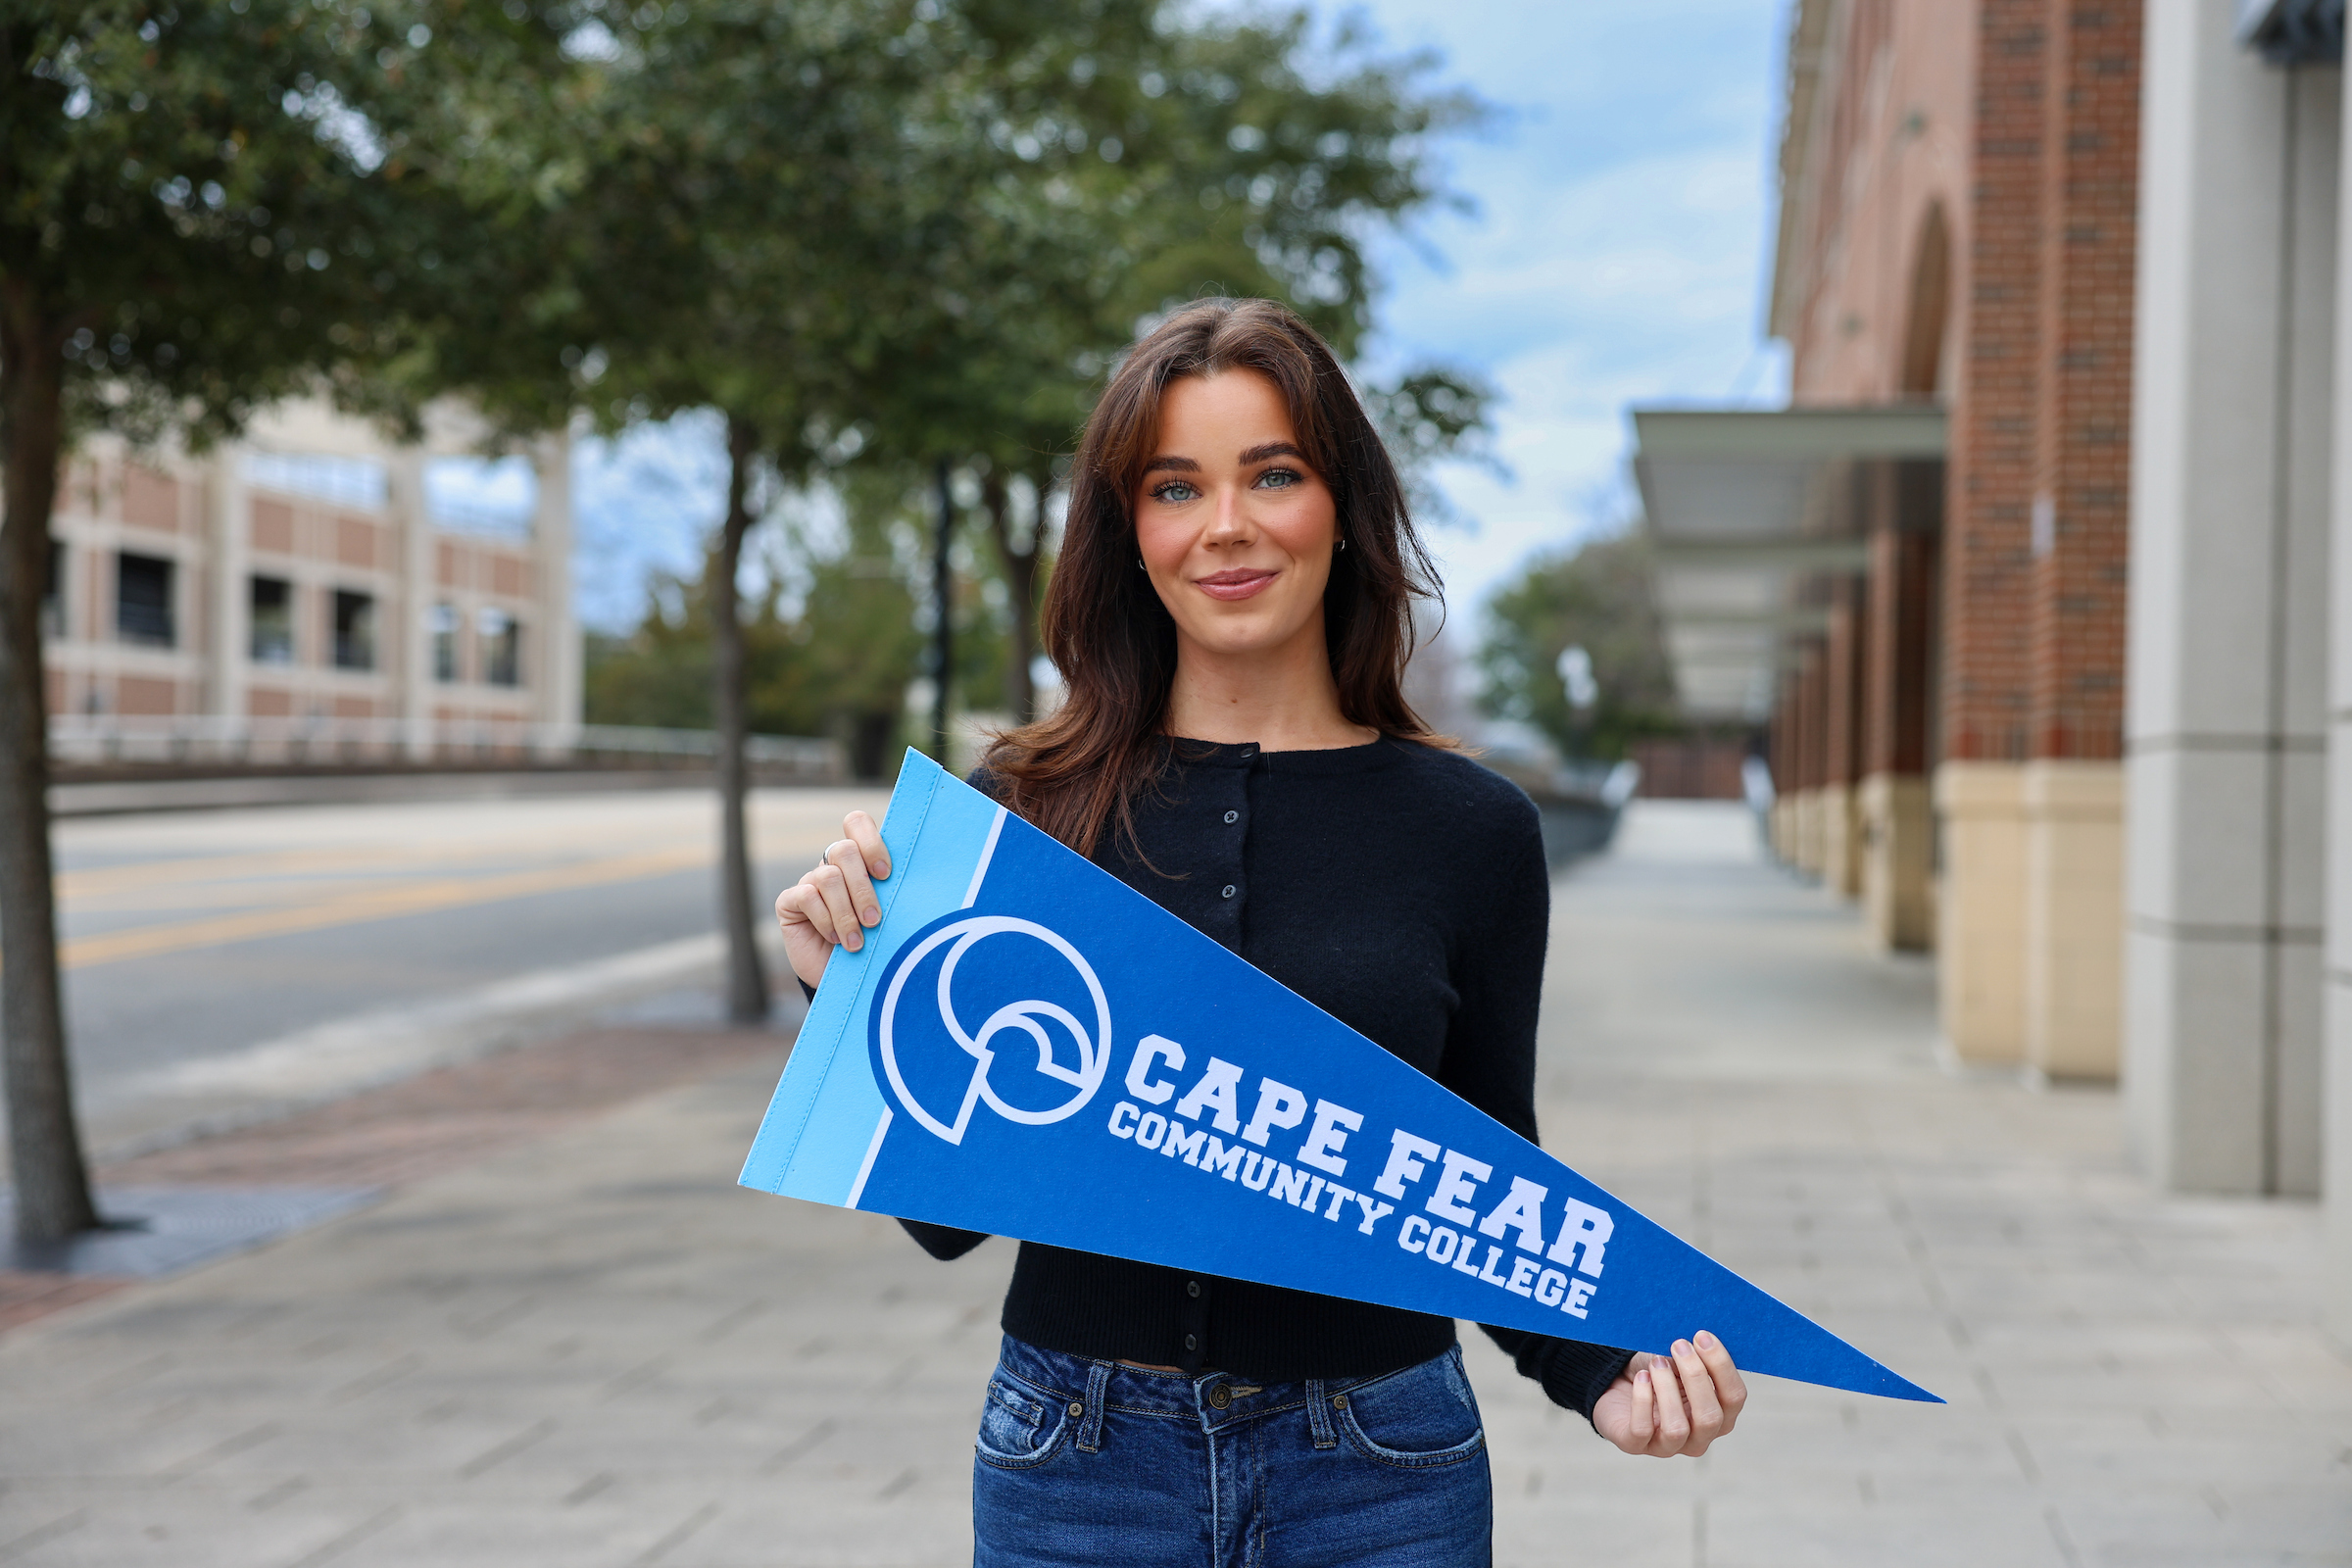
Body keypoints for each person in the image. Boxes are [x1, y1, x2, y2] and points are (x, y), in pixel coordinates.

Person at [774, 298, 1745, 1567]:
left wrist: (1603, 1370)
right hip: (1075, 1464)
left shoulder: (1473, 828)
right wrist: (845, 989)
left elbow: (1484, 1162)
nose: (1224, 527)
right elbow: (949, 1221)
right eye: (1176, 488)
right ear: (1130, 531)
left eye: (1271, 474)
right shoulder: (1027, 808)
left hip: (1384, 1470)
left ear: (1341, 505)